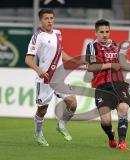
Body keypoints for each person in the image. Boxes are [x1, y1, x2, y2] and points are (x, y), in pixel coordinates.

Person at [25, 8, 83, 147]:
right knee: (42, 110)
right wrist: (38, 70)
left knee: (73, 104)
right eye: (46, 18)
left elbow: (61, 53)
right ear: (41, 21)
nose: (50, 21)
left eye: (51, 18)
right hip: (45, 79)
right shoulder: (38, 36)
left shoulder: (58, 33)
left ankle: (61, 125)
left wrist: (77, 62)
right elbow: (28, 59)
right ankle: (38, 134)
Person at [85, 19, 130, 150]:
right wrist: (110, 65)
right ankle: (111, 137)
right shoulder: (92, 47)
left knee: (123, 108)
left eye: (107, 31)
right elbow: (90, 67)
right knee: (106, 121)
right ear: (96, 33)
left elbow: (121, 63)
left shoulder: (116, 46)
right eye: (101, 32)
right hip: (102, 86)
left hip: (118, 84)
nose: (104, 35)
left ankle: (122, 142)